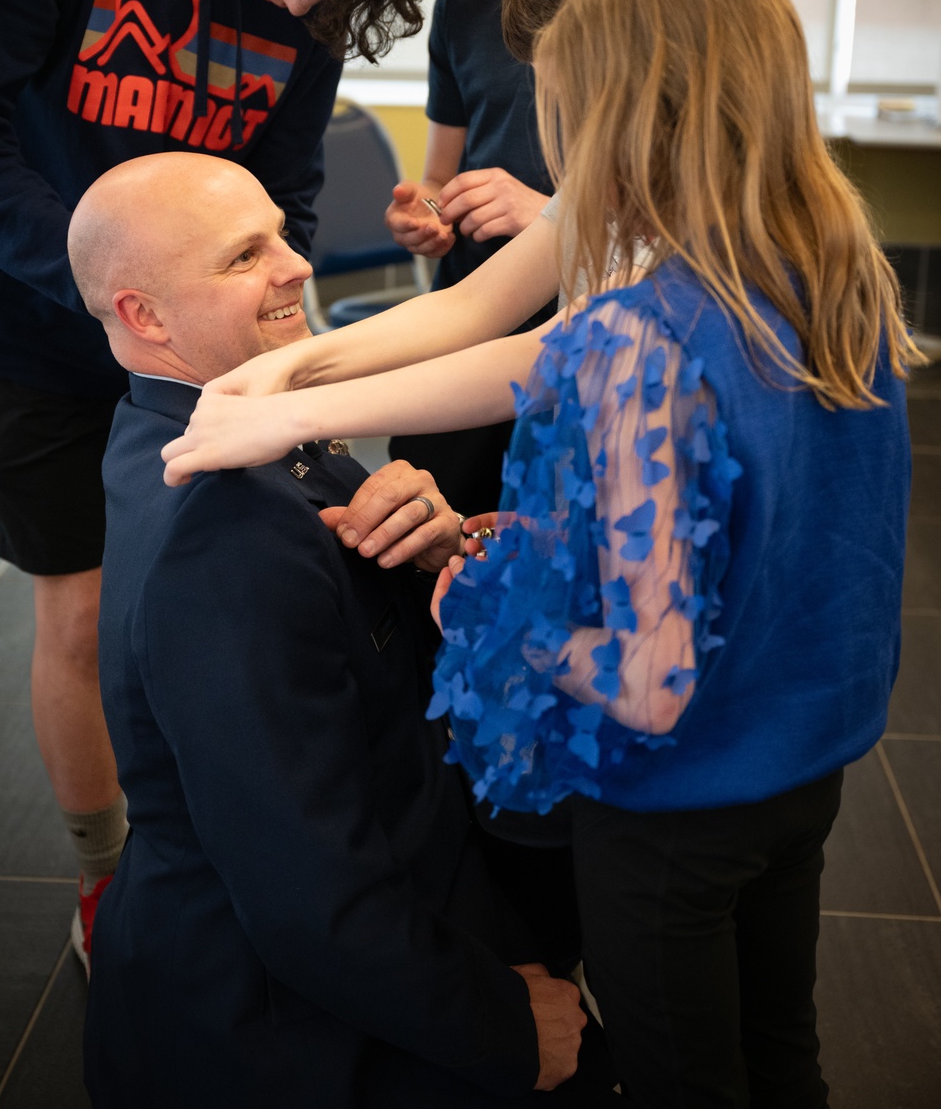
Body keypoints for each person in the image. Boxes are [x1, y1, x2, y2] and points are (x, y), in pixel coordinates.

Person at [164, 0, 920, 1106]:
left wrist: (497, 608)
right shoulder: (830, 273)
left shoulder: (642, 336)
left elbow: (647, 679)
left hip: (674, 806)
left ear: (613, 117)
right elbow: (753, 521)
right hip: (803, 768)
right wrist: (296, 391)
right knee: (780, 1046)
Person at [0, 0, 456, 969]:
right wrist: (101, 290)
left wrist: (274, 328)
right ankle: (108, 882)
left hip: (206, 351)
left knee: (233, 599)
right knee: (81, 616)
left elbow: (281, 182)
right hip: (39, 326)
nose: (300, 12)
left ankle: (238, 850)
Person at [66, 151, 592, 1108]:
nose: (299, 263)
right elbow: (306, 891)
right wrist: (503, 1026)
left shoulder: (187, 420)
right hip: (280, 1032)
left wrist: (429, 549)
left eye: (281, 230)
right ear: (143, 316)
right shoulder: (223, 528)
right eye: (244, 256)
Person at [159, 0, 709, 496]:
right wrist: (292, 366)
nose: (566, 140)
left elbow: (546, 359)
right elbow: (472, 306)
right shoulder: (616, 174)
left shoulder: (704, 227)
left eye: (570, 102)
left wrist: (291, 408)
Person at [385, 0, 642, 513]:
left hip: (603, 334)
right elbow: (439, 174)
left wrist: (550, 218)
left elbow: (684, 232)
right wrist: (430, 207)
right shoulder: (466, 7)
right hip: (476, 322)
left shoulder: (679, 11)